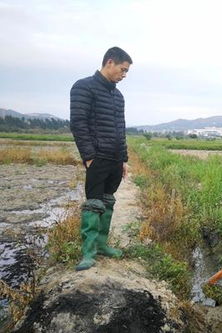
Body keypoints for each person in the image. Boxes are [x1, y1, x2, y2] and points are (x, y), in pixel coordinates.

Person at [70, 47, 132, 271]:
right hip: (97, 158)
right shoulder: (83, 87)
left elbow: (120, 129)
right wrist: (88, 157)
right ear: (110, 62)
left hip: (115, 160)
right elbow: (78, 123)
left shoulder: (118, 96)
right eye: (122, 70)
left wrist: (123, 159)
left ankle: (102, 245)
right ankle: (88, 253)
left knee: (108, 202)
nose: (124, 75)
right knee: (93, 204)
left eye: (126, 72)